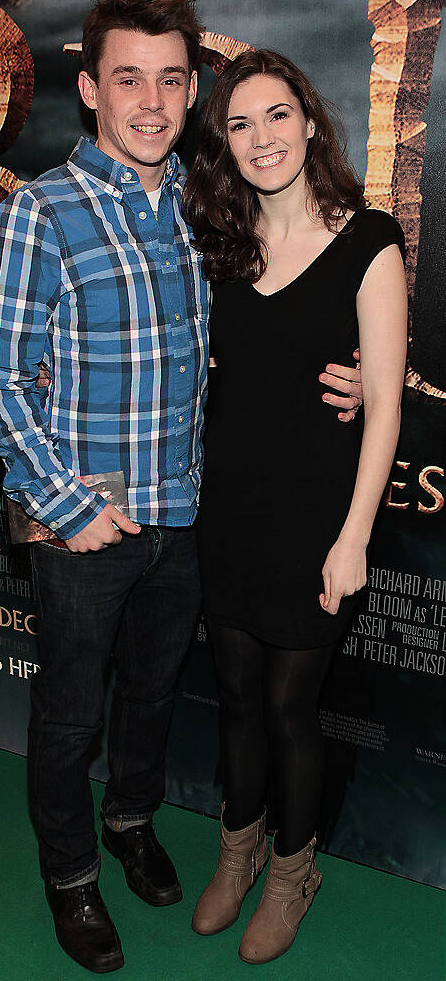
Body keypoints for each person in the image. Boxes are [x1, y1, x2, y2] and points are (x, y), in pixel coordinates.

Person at [0, 0, 363, 974]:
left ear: (193, 91)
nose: (152, 102)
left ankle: (131, 821)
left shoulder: (202, 210)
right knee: (68, 717)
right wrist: (67, 505)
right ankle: (69, 877)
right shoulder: (41, 216)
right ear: (90, 88)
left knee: (151, 698)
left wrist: (354, 376)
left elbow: (263, 324)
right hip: (83, 529)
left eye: (172, 80)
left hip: (186, 519)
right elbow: (0, 380)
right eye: (128, 79)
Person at [183, 49, 407, 964]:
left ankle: (291, 873)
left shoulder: (369, 239)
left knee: (288, 707)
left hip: (322, 517)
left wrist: (355, 535)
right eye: (240, 124)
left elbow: (386, 402)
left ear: (311, 124)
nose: (261, 138)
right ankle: (235, 857)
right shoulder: (220, 246)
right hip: (229, 507)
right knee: (234, 695)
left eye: (277, 116)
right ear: (226, 144)